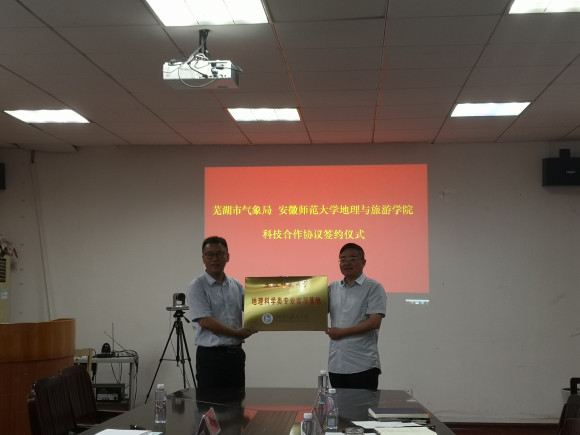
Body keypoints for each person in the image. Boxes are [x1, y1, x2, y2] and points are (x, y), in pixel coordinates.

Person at [186, 236, 257, 390]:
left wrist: (276, 289)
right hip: (211, 357)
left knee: (237, 401)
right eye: (210, 255)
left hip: (236, 356)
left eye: (219, 254)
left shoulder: (235, 284)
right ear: (203, 258)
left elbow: (254, 308)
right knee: (211, 403)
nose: (215, 259)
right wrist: (237, 333)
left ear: (227, 257)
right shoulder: (197, 286)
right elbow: (205, 321)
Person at [325, 243, 387, 390]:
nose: (347, 263)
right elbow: (314, 311)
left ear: (363, 262)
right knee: (339, 405)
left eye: (352, 259)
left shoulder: (374, 287)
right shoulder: (333, 287)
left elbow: (374, 322)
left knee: (363, 405)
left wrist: (342, 332)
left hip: (363, 364)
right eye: (342, 259)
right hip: (336, 363)